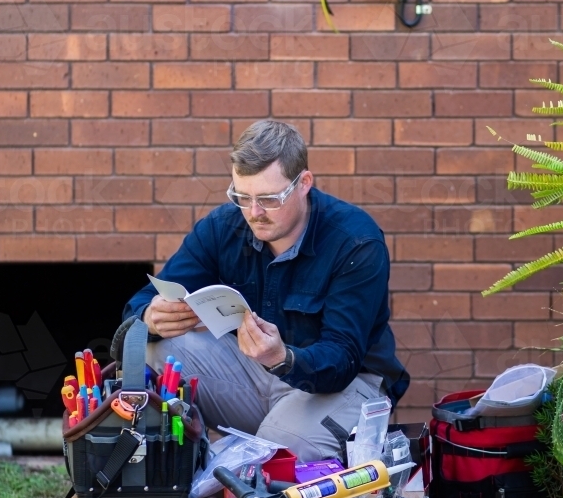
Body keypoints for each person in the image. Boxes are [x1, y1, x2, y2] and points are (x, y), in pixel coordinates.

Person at [123, 120, 409, 461]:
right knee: (156, 348)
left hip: (345, 383)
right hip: (255, 373)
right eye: (242, 197)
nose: (254, 213)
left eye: (269, 199)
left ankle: (275, 443)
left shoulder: (356, 242)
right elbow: (136, 306)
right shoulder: (223, 226)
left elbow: (342, 359)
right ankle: (180, 462)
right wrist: (151, 317)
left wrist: (282, 358)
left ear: (304, 183)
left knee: (273, 460)